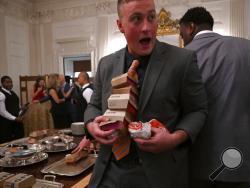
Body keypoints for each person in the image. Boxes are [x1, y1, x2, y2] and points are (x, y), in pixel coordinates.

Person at [84, 0, 207, 188]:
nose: (147, 27)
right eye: (136, 19)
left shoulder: (182, 60)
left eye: (151, 17)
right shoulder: (106, 64)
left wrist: (174, 139)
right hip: (108, 172)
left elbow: (197, 111)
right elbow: (93, 105)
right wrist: (92, 125)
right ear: (120, 25)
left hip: (159, 175)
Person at [179, 7, 250, 188]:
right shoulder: (246, 46)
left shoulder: (184, 56)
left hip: (201, 162)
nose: (183, 40)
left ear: (190, 27)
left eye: (182, 34)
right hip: (244, 160)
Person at [0, 76, 24, 143]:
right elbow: (2, 112)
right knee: (8, 143)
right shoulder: (1, 94)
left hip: (16, 121)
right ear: (2, 83)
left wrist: (21, 110)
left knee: (18, 141)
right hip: (6, 123)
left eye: (11, 82)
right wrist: (15, 118)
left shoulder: (12, 92)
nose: (10, 84)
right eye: (7, 82)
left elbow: (16, 105)